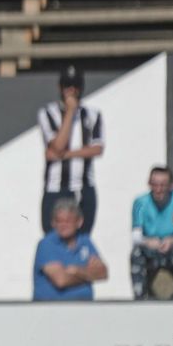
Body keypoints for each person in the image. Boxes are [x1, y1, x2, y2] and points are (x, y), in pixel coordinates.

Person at [38, 65, 103, 232]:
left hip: (84, 186)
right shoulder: (48, 113)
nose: (71, 91)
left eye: (75, 86)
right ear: (60, 87)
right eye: (67, 86)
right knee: (52, 237)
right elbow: (58, 144)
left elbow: (97, 149)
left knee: (82, 237)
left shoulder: (93, 114)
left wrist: (64, 154)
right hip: (55, 188)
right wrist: (70, 111)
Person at [130, 167, 173, 300]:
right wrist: (147, 242)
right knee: (136, 253)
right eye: (154, 184)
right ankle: (139, 298)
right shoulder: (140, 202)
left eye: (163, 185)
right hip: (151, 249)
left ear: (171, 185)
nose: (158, 189)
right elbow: (135, 236)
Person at [32, 199, 107, 301]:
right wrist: (90, 274)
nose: (63, 225)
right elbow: (61, 280)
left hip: (85, 307)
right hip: (52, 308)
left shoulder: (85, 241)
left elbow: (103, 273)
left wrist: (77, 271)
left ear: (79, 222)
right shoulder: (46, 244)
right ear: (53, 223)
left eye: (68, 221)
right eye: (59, 221)